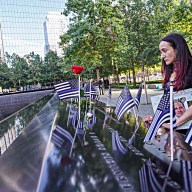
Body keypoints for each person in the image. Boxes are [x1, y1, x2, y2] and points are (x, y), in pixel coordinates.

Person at [144, 33, 192, 131]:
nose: (162, 56)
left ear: (177, 49)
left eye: (165, 51)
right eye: (161, 52)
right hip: (176, 132)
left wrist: (174, 124)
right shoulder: (169, 72)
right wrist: (157, 120)